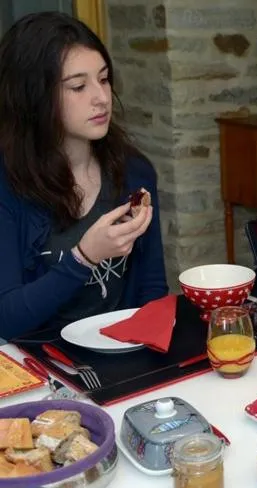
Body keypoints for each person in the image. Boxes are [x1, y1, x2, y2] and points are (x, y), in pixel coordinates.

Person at [0, 12, 167, 341]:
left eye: (103, 79)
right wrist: (84, 257)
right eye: (78, 86)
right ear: (33, 97)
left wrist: (150, 353)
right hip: (38, 363)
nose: (101, 98)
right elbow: (6, 320)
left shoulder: (135, 171)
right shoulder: (6, 184)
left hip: (120, 353)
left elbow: (152, 288)